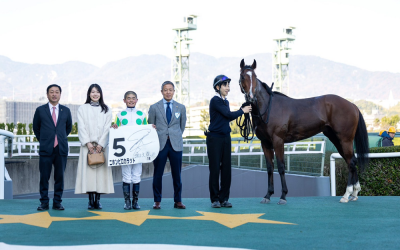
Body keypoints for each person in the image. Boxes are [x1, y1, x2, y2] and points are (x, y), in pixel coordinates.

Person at [205, 75, 252, 208]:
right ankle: (215, 199)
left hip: (226, 138)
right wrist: (242, 111)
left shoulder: (225, 102)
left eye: (228, 85)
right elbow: (228, 115)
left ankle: (224, 199)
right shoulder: (215, 101)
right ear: (217, 87)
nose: (228, 88)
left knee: (226, 169)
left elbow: (228, 115)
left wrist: (241, 110)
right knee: (214, 169)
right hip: (214, 139)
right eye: (225, 85)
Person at [111, 91, 155, 210]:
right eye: (128, 98)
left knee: (136, 175)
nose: (131, 100)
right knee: (126, 176)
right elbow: (116, 129)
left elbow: (146, 128)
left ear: (137, 100)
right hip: (124, 151)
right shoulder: (120, 115)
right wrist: (114, 127)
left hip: (138, 150)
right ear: (124, 100)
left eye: (133, 98)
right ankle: (127, 202)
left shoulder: (141, 114)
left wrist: (151, 128)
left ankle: (135, 202)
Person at [33, 84, 72, 211]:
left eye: (57, 92)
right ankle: (44, 202)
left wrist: (58, 138)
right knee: (44, 177)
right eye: (51, 92)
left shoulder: (66, 110)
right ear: (47, 94)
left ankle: (57, 202)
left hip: (61, 149)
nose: (54, 94)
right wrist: (45, 140)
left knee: (59, 177)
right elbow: (36, 128)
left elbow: (68, 128)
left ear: (60, 94)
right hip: (46, 149)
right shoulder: (40, 110)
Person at [148, 81, 187, 209]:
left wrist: (173, 135)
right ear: (161, 92)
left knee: (177, 174)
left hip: (175, 144)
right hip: (160, 145)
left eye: (170, 90)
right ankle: (157, 200)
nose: (168, 92)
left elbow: (182, 126)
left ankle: (178, 200)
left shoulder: (180, 107)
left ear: (174, 91)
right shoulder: (154, 107)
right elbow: (151, 126)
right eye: (165, 90)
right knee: (157, 174)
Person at [75, 84, 114, 209]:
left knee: (101, 174)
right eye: (93, 92)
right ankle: (90, 200)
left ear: (101, 94)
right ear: (89, 94)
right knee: (89, 174)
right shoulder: (82, 108)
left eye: (97, 92)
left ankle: (98, 200)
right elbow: (81, 127)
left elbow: (108, 128)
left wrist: (101, 144)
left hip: (102, 147)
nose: (95, 94)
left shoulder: (107, 109)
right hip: (88, 147)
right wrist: (88, 143)